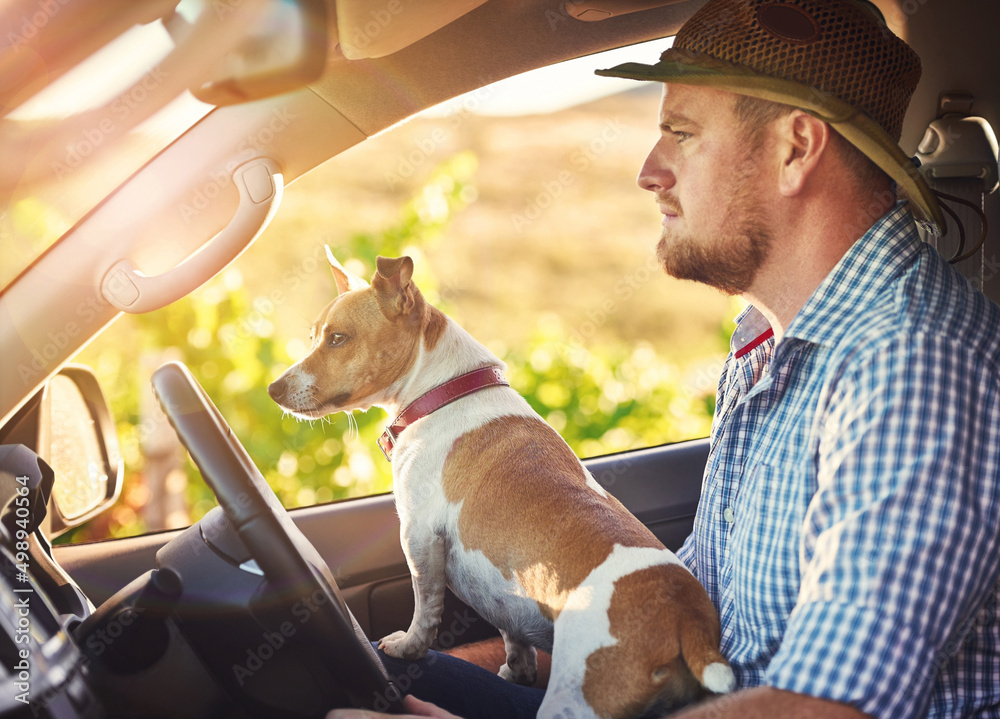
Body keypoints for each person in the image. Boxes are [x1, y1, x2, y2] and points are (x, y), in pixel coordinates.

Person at [330, 0, 1000, 717]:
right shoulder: (768, 342)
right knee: (382, 675)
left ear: (796, 148)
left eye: (681, 134)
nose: (650, 171)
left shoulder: (912, 368)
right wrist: (488, 668)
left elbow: (825, 707)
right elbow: (684, 603)